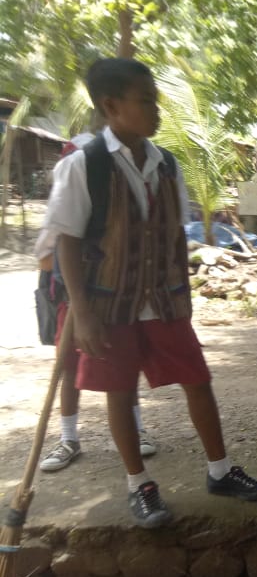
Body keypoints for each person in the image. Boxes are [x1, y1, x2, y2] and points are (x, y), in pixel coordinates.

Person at [46, 57, 257, 527]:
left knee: (197, 378)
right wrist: (82, 312)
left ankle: (219, 469)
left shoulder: (165, 164)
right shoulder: (83, 166)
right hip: (110, 301)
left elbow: (171, 231)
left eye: (155, 101)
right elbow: (66, 240)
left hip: (164, 298)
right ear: (111, 106)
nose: (157, 111)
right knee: (119, 389)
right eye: (145, 101)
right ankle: (139, 483)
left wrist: (182, 288)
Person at [36, 134, 157, 471]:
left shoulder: (115, 202)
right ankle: (68, 439)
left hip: (114, 299)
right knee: (70, 368)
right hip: (72, 302)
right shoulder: (61, 210)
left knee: (123, 369)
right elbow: (45, 259)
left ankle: (138, 430)